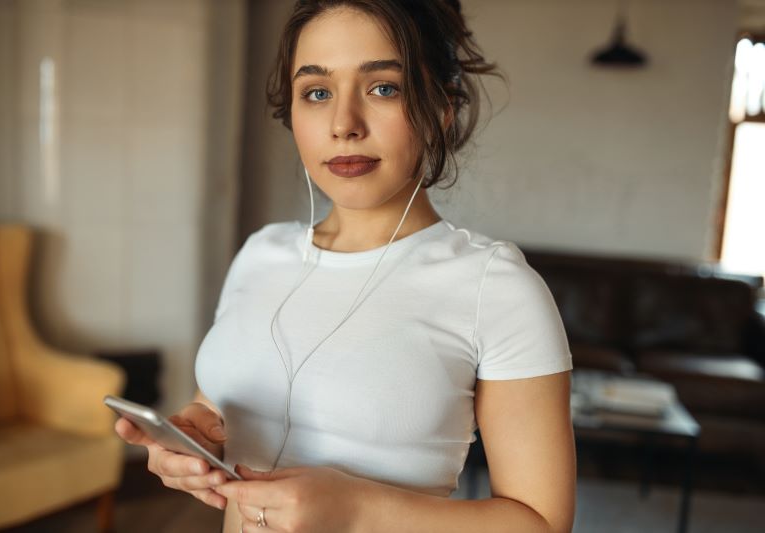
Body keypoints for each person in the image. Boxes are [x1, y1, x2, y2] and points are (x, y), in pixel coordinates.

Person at [116, 1, 576, 531]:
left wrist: (359, 508)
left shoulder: (494, 287)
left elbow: (541, 524)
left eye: (384, 87)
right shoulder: (260, 254)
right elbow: (216, 411)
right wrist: (192, 439)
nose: (343, 125)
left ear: (442, 109)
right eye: (317, 92)